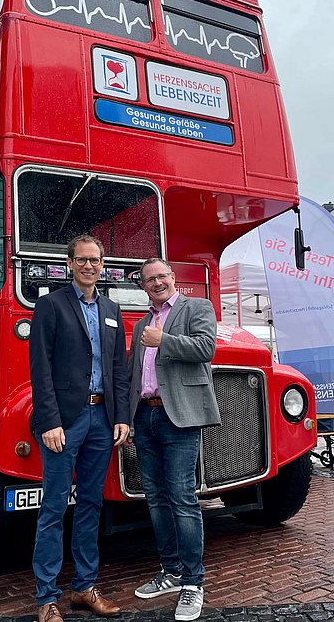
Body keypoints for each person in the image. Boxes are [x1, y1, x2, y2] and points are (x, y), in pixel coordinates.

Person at [29, 234, 130, 622]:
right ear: (69, 264)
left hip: (102, 420)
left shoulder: (111, 309)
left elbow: (118, 368)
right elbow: (40, 368)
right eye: (82, 260)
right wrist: (49, 421)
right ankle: (46, 598)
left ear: (102, 265)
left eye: (95, 260)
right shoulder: (50, 305)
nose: (89, 266)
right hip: (65, 422)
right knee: (54, 507)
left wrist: (121, 416)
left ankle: (84, 588)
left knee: (91, 504)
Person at [128, 258, 221, 622]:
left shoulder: (197, 307)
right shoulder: (141, 325)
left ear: (173, 277)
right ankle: (171, 572)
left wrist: (163, 340)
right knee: (155, 498)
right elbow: (135, 374)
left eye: (161, 276)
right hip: (146, 416)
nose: (156, 283)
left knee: (182, 496)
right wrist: (129, 419)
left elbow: (206, 348)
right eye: (149, 279)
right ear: (143, 286)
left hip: (179, 416)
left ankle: (193, 582)